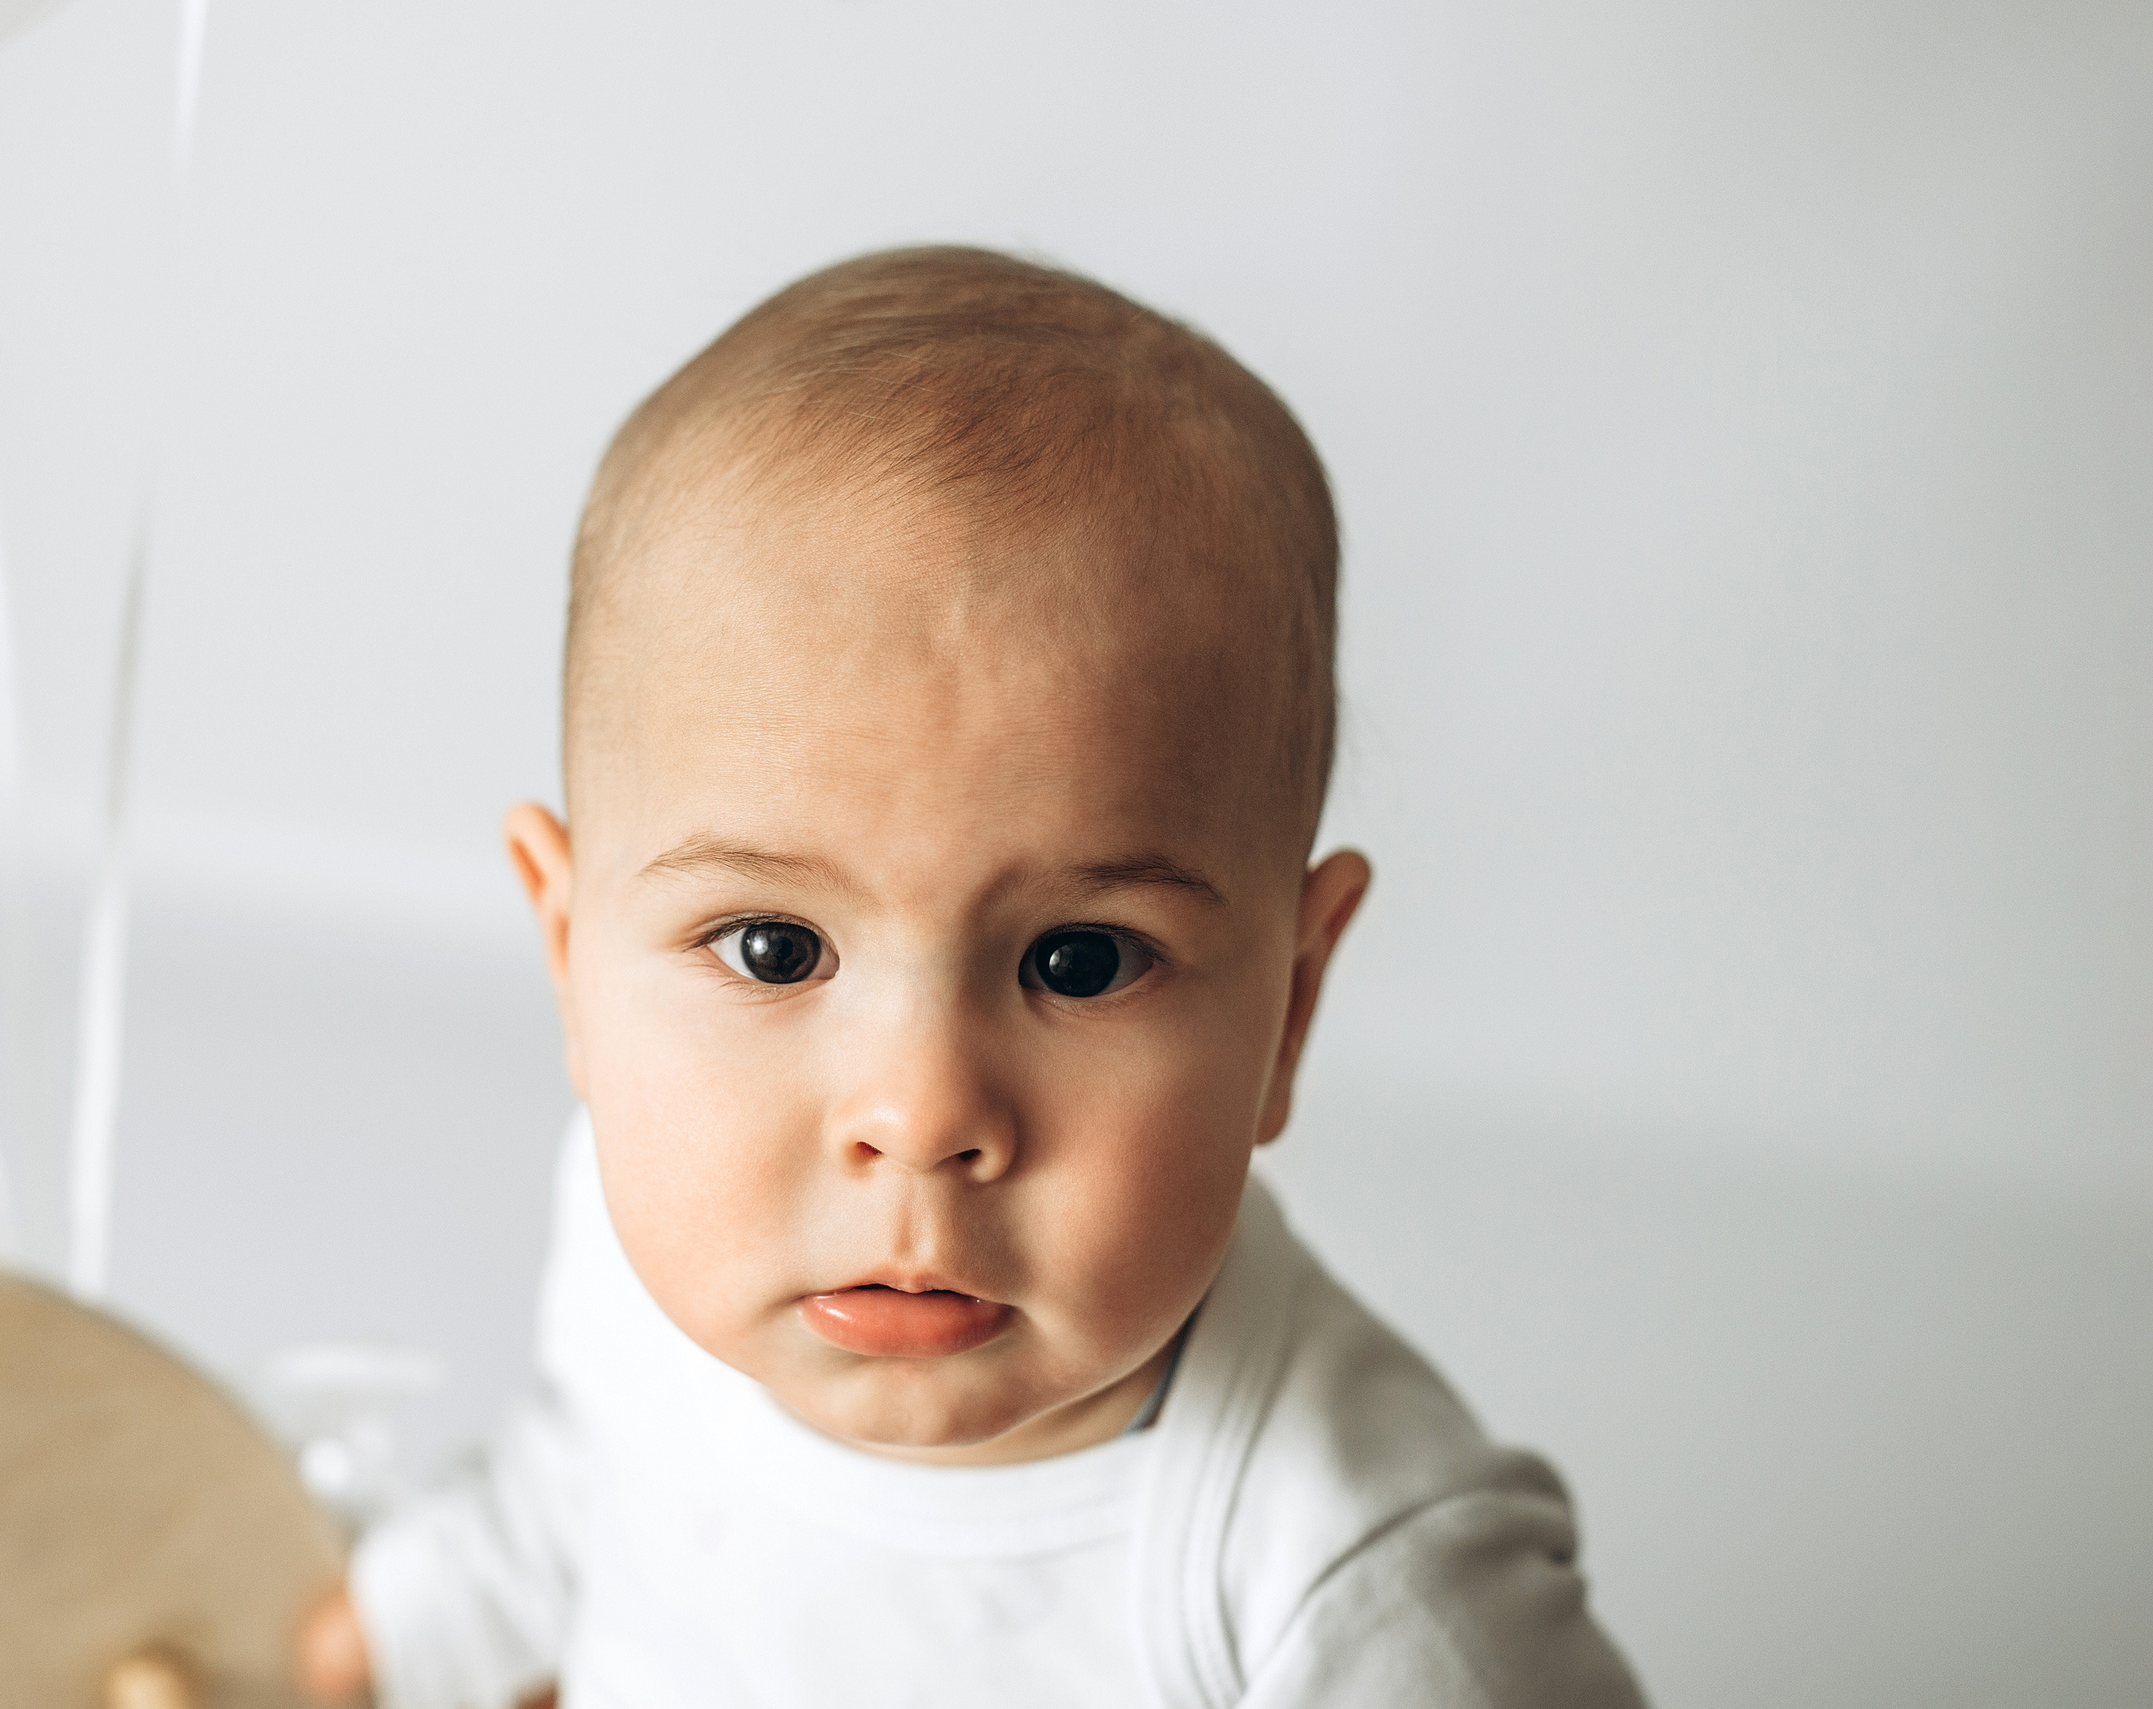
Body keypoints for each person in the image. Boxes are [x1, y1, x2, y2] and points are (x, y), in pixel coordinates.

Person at [291, 247, 1646, 1709]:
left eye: (1079, 960)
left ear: (1289, 1008)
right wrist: (380, 1646)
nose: (921, 1111)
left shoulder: (1355, 1581)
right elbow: (580, 1490)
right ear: (573, 963)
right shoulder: (646, 1251)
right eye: (773, 947)